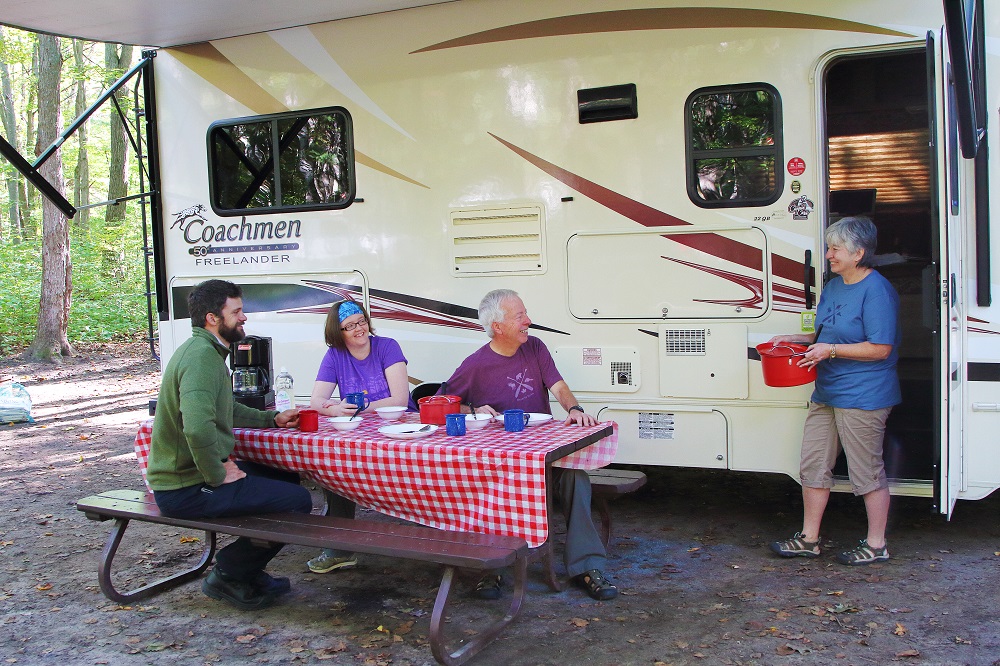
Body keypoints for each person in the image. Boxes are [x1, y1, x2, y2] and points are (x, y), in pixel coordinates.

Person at [439, 288, 618, 601]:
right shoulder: (476, 364)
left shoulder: (535, 347)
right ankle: (490, 568)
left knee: (577, 476)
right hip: (503, 466)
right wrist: (472, 409)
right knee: (486, 484)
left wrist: (574, 409)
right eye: (520, 316)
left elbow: (559, 386)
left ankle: (587, 566)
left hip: (545, 459)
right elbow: (443, 400)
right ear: (498, 326)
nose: (528, 321)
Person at [146, 279, 313, 610]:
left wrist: (272, 419)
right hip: (185, 489)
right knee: (297, 502)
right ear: (212, 318)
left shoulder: (205, 351)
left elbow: (225, 409)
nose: (244, 318)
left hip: (190, 481)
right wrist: (216, 474)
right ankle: (230, 572)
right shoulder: (202, 359)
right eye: (236, 311)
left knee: (284, 478)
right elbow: (196, 428)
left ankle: (248, 569)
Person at [769, 216, 900, 566]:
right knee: (812, 464)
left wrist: (831, 351)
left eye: (834, 249)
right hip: (826, 390)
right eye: (828, 248)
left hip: (864, 396)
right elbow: (823, 333)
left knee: (866, 470)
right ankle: (809, 539)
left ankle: (876, 544)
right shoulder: (834, 286)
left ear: (858, 253)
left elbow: (881, 348)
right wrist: (796, 339)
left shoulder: (877, 290)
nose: (827, 255)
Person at [304, 298, 416, 574]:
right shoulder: (334, 355)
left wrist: (360, 408)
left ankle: (442, 541)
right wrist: (336, 408)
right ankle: (339, 548)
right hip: (359, 434)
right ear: (337, 333)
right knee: (334, 467)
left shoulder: (387, 346)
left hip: (401, 430)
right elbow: (316, 400)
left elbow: (400, 399)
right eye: (350, 326)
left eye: (361, 321)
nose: (359, 329)